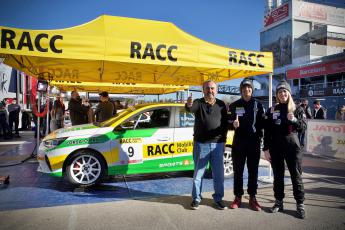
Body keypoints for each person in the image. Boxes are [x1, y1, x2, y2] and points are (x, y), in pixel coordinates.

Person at [263, 81, 306, 219]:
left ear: (289, 93)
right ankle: (278, 202)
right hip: (276, 146)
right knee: (278, 176)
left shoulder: (297, 108)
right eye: (280, 92)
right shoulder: (272, 109)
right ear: (277, 95)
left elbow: (303, 127)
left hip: (292, 145)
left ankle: (300, 204)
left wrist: (294, 120)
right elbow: (267, 131)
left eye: (284, 91)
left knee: (296, 175)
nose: (282, 94)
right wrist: (266, 148)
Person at [185, 80, 228, 210]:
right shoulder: (198, 103)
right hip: (201, 145)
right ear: (203, 90)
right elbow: (190, 109)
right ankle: (196, 198)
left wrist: (224, 141)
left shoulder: (221, 104)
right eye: (207, 88)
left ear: (216, 90)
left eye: (212, 88)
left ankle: (218, 199)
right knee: (198, 174)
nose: (210, 91)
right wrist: (188, 104)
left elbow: (225, 124)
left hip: (218, 145)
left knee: (219, 175)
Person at [228, 78, 265, 211]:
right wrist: (233, 124)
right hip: (239, 143)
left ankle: (253, 197)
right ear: (241, 90)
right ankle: (238, 196)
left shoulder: (258, 105)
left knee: (253, 171)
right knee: (238, 171)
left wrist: (261, 137)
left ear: (252, 90)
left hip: (254, 143)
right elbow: (227, 122)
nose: (246, 90)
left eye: (249, 88)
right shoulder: (234, 105)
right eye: (244, 88)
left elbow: (262, 124)